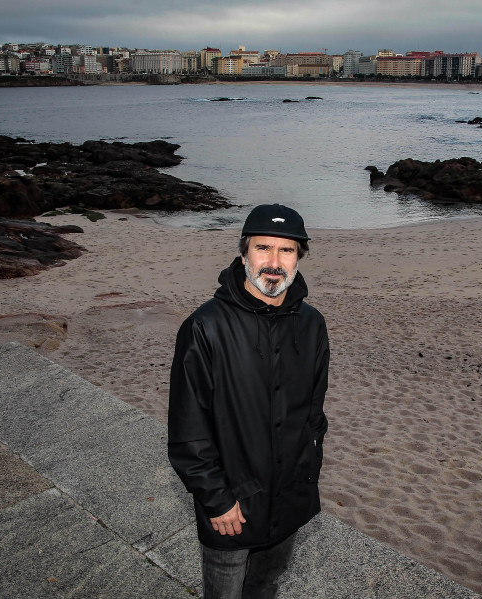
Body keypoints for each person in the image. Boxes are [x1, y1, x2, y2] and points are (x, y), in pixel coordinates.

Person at [168, 204, 329, 599]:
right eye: (263, 248)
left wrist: (307, 477)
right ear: (244, 255)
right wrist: (217, 500)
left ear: (299, 258)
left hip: (291, 495)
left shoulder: (312, 325)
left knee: (266, 585)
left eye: (286, 250)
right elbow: (188, 431)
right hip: (232, 504)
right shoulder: (205, 327)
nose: (274, 262)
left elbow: (313, 415)